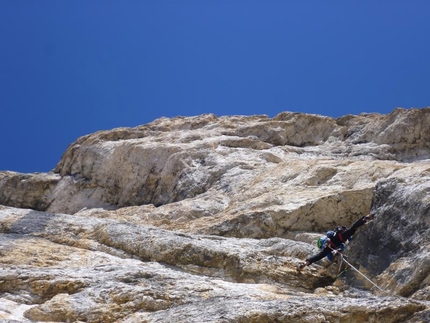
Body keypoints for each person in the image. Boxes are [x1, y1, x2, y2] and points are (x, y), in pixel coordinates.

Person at [298, 212, 375, 269]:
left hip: (340, 237)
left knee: (352, 229)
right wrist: (338, 250)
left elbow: (328, 255)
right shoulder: (328, 244)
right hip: (341, 236)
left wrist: (334, 250)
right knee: (352, 230)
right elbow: (339, 244)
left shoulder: (327, 246)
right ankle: (365, 219)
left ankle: (364, 219)